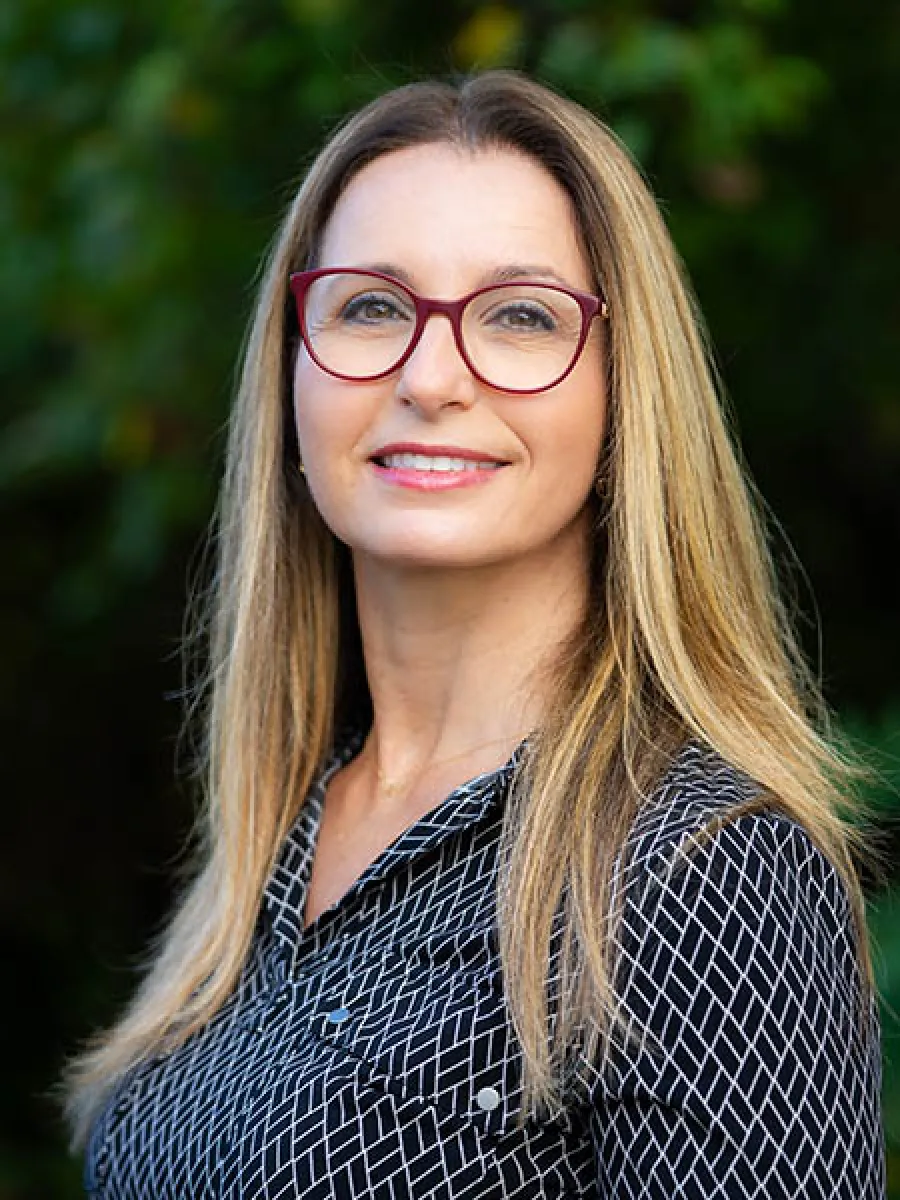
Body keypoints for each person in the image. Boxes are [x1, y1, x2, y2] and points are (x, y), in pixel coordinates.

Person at [64, 70, 885, 1197]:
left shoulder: (705, 870)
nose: (431, 376)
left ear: (624, 396)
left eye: (521, 315)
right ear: (292, 373)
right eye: (370, 306)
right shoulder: (275, 835)